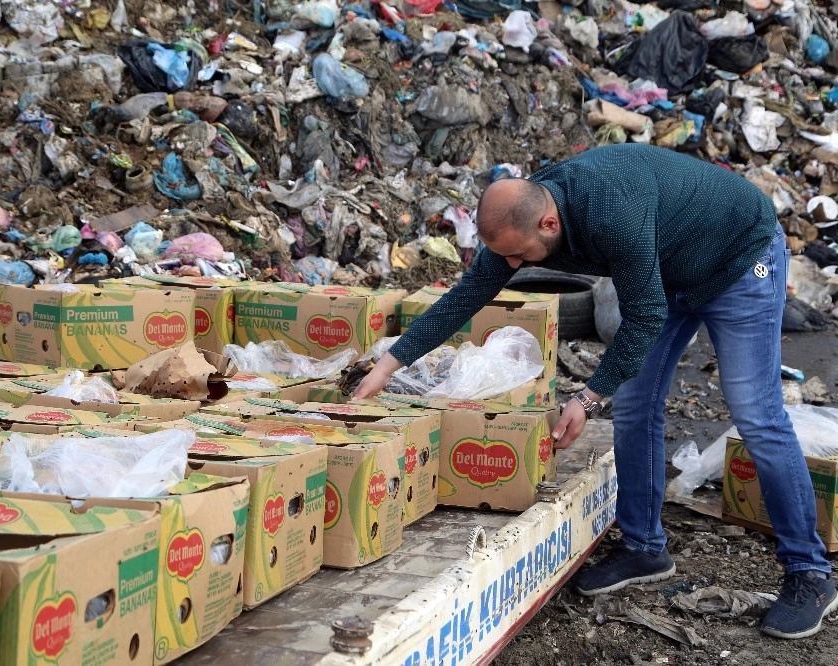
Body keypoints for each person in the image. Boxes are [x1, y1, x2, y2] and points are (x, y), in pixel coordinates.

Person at [354, 143, 836, 639]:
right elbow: (469, 294)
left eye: (520, 256)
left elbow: (644, 315)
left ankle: (810, 574)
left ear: (548, 225)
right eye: (507, 257)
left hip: (740, 258)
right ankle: (645, 547)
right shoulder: (524, 216)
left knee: (754, 410)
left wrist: (588, 397)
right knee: (633, 404)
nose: (515, 265)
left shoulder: (610, 212)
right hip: (670, 268)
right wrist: (389, 365)